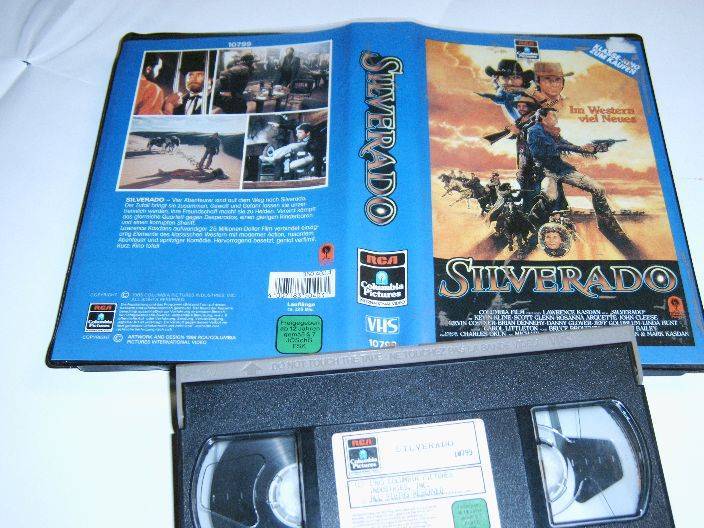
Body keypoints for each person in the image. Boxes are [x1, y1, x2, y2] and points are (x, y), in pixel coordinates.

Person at [525, 62, 628, 241]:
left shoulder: (553, 132)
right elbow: (552, 148)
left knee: (598, 189)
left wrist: (588, 149)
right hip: (546, 172)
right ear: (542, 117)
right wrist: (577, 148)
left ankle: (607, 225)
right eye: (553, 116)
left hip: (562, 170)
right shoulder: (534, 131)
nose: (556, 120)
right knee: (550, 199)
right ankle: (532, 221)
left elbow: (565, 144)